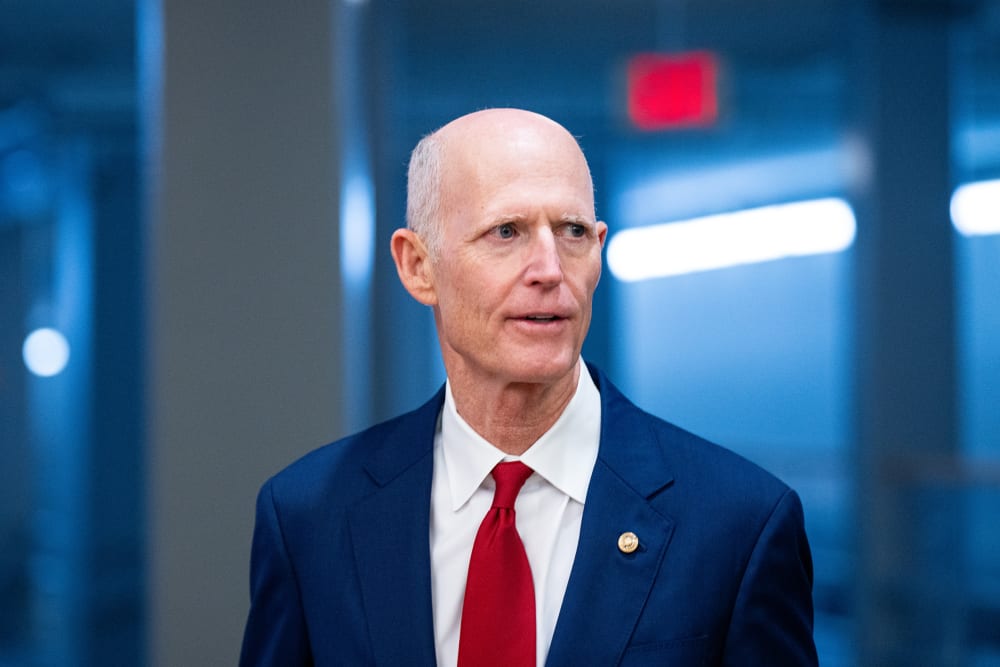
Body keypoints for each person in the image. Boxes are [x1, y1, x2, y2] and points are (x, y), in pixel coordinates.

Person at [239, 108, 818, 666]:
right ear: (418, 266)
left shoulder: (738, 523)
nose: (549, 268)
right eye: (507, 231)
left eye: (572, 232)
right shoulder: (309, 517)